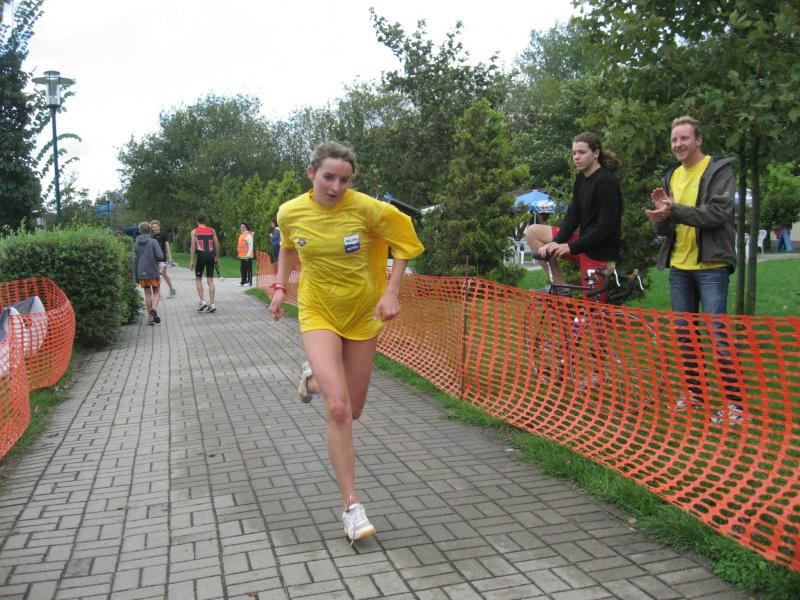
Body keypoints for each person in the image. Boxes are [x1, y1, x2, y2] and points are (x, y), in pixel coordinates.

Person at [268, 142, 424, 543]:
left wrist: (392, 292)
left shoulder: (367, 209)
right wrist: (280, 287)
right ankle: (352, 508)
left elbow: (405, 241)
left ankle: (312, 380)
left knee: (353, 409)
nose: (336, 187)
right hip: (318, 311)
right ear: (311, 173)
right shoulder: (290, 212)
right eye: (328, 177)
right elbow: (287, 247)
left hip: (362, 314)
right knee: (338, 409)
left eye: (345, 180)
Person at [645, 115, 738, 420]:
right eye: (674, 140)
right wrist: (661, 217)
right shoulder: (671, 175)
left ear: (698, 140)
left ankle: (735, 405)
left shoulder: (719, 170)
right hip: (679, 266)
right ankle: (695, 394)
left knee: (717, 334)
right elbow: (667, 227)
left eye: (684, 138)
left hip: (712, 265)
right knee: (685, 335)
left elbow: (717, 214)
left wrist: (675, 210)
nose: (678, 144)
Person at [525, 131, 623, 299]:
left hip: (599, 253)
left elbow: (605, 228)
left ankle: (588, 312)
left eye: (582, 152)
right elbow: (573, 214)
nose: (576, 157)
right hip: (583, 244)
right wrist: (556, 243)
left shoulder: (607, 182)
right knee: (533, 232)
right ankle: (561, 289)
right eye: (574, 153)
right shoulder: (581, 178)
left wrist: (570, 247)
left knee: (591, 312)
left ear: (596, 153)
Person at [134, 221, 164, 325]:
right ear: (150, 230)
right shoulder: (153, 242)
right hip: (153, 272)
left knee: (147, 294)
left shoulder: (136, 244)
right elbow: (160, 256)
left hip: (141, 272)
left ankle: (150, 318)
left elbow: (135, 260)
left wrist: (136, 276)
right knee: (156, 292)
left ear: (140, 231)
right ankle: (154, 309)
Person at [189, 214, 220, 313]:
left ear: (197, 221)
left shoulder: (194, 231)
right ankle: (212, 304)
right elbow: (217, 244)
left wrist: (192, 261)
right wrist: (217, 258)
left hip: (201, 256)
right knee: (210, 280)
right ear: (205, 220)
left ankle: (202, 301)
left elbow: (193, 247)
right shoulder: (212, 230)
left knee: (198, 279)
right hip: (211, 255)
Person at [151, 220, 176, 297]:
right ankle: (158, 293)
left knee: (162, 273)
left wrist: (170, 257)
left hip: (162, 258)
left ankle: (172, 290)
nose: (155, 228)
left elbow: (167, 245)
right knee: (156, 275)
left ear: (159, 227)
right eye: (153, 227)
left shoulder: (164, 234)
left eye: (156, 227)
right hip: (154, 259)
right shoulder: (151, 236)